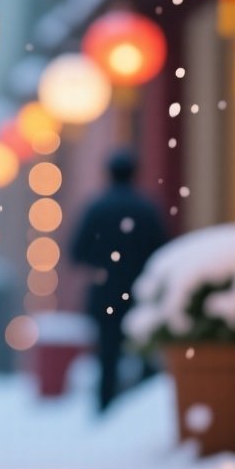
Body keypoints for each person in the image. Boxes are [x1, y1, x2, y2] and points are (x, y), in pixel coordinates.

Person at [70, 150, 169, 413]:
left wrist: (104, 262)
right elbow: (162, 251)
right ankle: (141, 411)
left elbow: (77, 252)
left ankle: (106, 408)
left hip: (106, 293)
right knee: (145, 353)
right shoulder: (147, 209)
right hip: (140, 292)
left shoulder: (97, 208)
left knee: (108, 356)